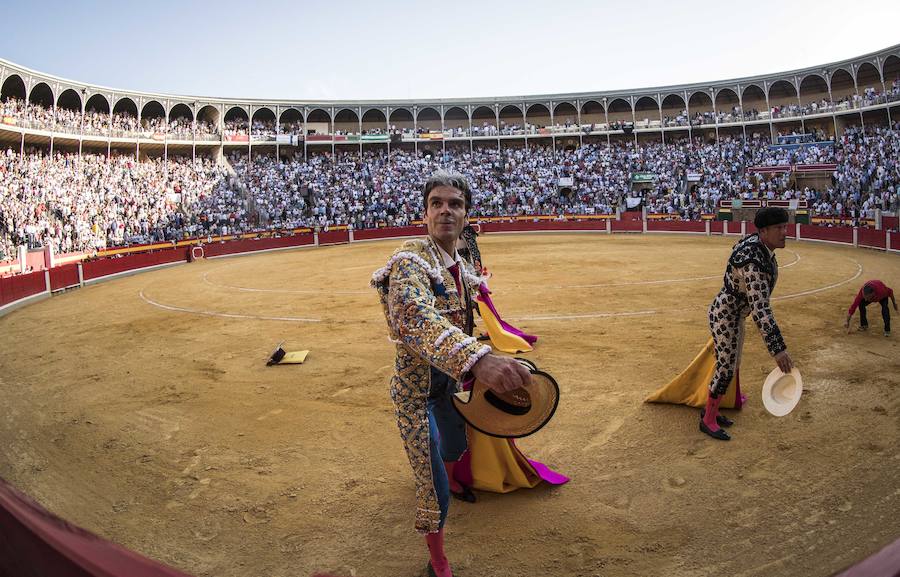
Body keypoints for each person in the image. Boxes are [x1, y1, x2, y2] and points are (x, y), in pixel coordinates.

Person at [371, 170, 531, 577]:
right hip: (415, 394)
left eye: (455, 204)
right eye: (436, 204)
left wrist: (482, 355)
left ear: (466, 214)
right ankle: (437, 562)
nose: (445, 211)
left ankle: (441, 471)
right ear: (424, 214)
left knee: (456, 448)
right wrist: (479, 360)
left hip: (446, 386)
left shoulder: (458, 265)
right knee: (434, 488)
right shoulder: (409, 261)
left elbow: (462, 324)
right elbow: (416, 321)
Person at [701, 207, 794, 441]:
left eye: (785, 226)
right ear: (763, 231)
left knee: (731, 364)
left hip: (734, 314)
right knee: (726, 367)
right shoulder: (753, 262)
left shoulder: (759, 247)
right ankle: (708, 419)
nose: (785, 232)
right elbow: (761, 308)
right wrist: (778, 349)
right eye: (778, 228)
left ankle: (713, 410)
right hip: (726, 316)